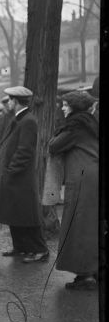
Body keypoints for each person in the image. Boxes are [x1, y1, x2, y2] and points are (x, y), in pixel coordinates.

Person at [0, 86, 49, 263]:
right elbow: (13, 144)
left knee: (27, 215)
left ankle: (40, 250)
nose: (7, 103)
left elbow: (24, 151)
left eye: (9, 100)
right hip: (14, 175)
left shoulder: (27, 120)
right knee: (15, 213)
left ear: (15, 101)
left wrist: (10, 170)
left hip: (20, 177)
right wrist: (2, 155)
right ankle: (21, 247)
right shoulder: (20, 118)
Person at [48, 91, 98, 290]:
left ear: (75, 107)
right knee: (89, 224)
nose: (63, 107)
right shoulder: (89, 121)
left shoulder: (75, 125)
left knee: (79, 226)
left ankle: (85, 276)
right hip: (91, 175)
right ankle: (91, 271)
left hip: (82, 178)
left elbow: (54, 145)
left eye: (66, 105)